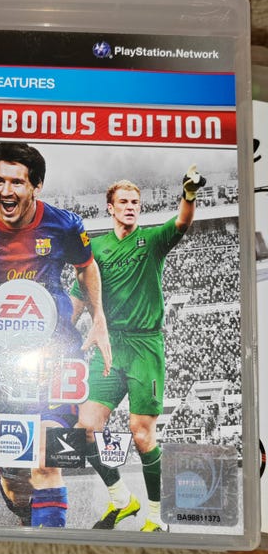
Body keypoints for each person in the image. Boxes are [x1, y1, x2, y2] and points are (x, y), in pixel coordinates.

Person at [0, 141, 111, 528]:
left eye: (16, 182)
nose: (5, 191)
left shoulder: (63, 225)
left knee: (46, 461)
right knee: (17, 480)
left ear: (36, 186)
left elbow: (86, 266)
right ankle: (21, 503)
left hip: (54, 358)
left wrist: (98, 318)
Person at [70, 165, 205, 532]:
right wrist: (58, 329)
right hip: (109, 346)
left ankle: (156, 517)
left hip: (145, 346)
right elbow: (77, 300)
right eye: (124, 202)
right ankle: (121, 499)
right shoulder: (95, 249)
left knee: (141, 433)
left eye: (135, 202)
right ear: (110, 207)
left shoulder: (152, 240)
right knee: (84, 428)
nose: (130, 207)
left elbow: (182, 222)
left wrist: (189, 194)